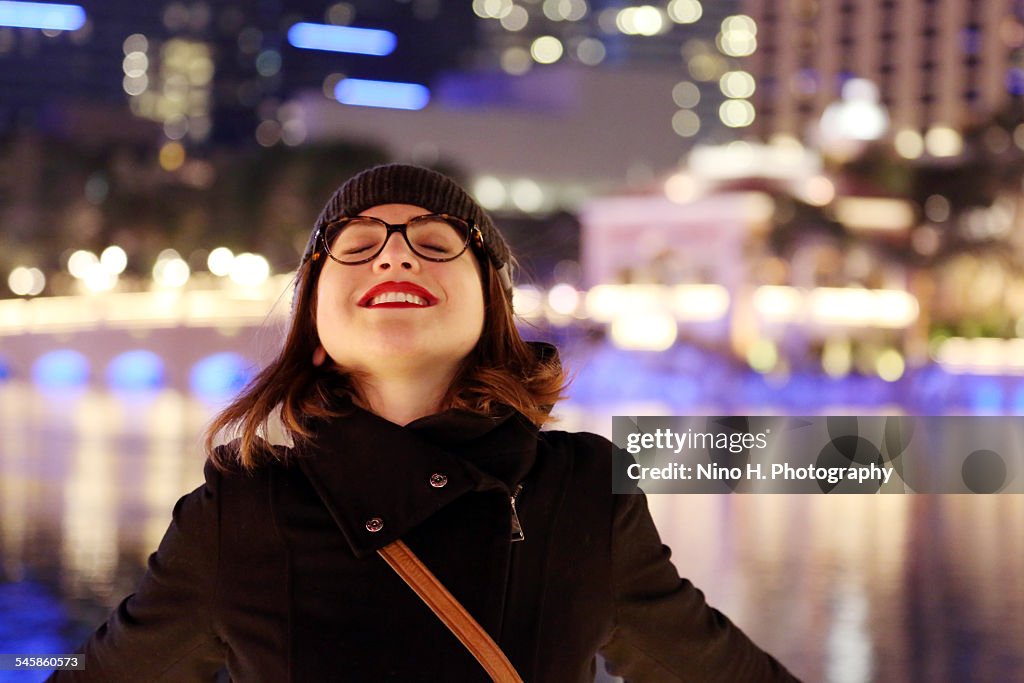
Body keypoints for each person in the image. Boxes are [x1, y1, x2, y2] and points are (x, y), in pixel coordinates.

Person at [49, 164, 800, 682]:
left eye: (437, 245)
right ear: (313, 320)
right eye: (356, 245)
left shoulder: (581, 494)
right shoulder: (242, 512)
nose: (394, 258)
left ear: (492, 313)